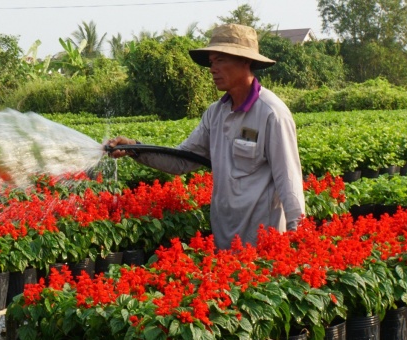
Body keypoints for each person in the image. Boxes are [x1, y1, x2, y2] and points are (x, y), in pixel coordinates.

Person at [107, 23, 305, 250]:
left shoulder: (271, 114)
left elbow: (288, 179)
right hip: (223, 241)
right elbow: (183, 159)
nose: (213, 69)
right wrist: (135, 148)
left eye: (220, 60)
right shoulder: (215, 114)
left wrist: (297, 238)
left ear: (245, 61)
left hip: (262, 247)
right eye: (212, 62)